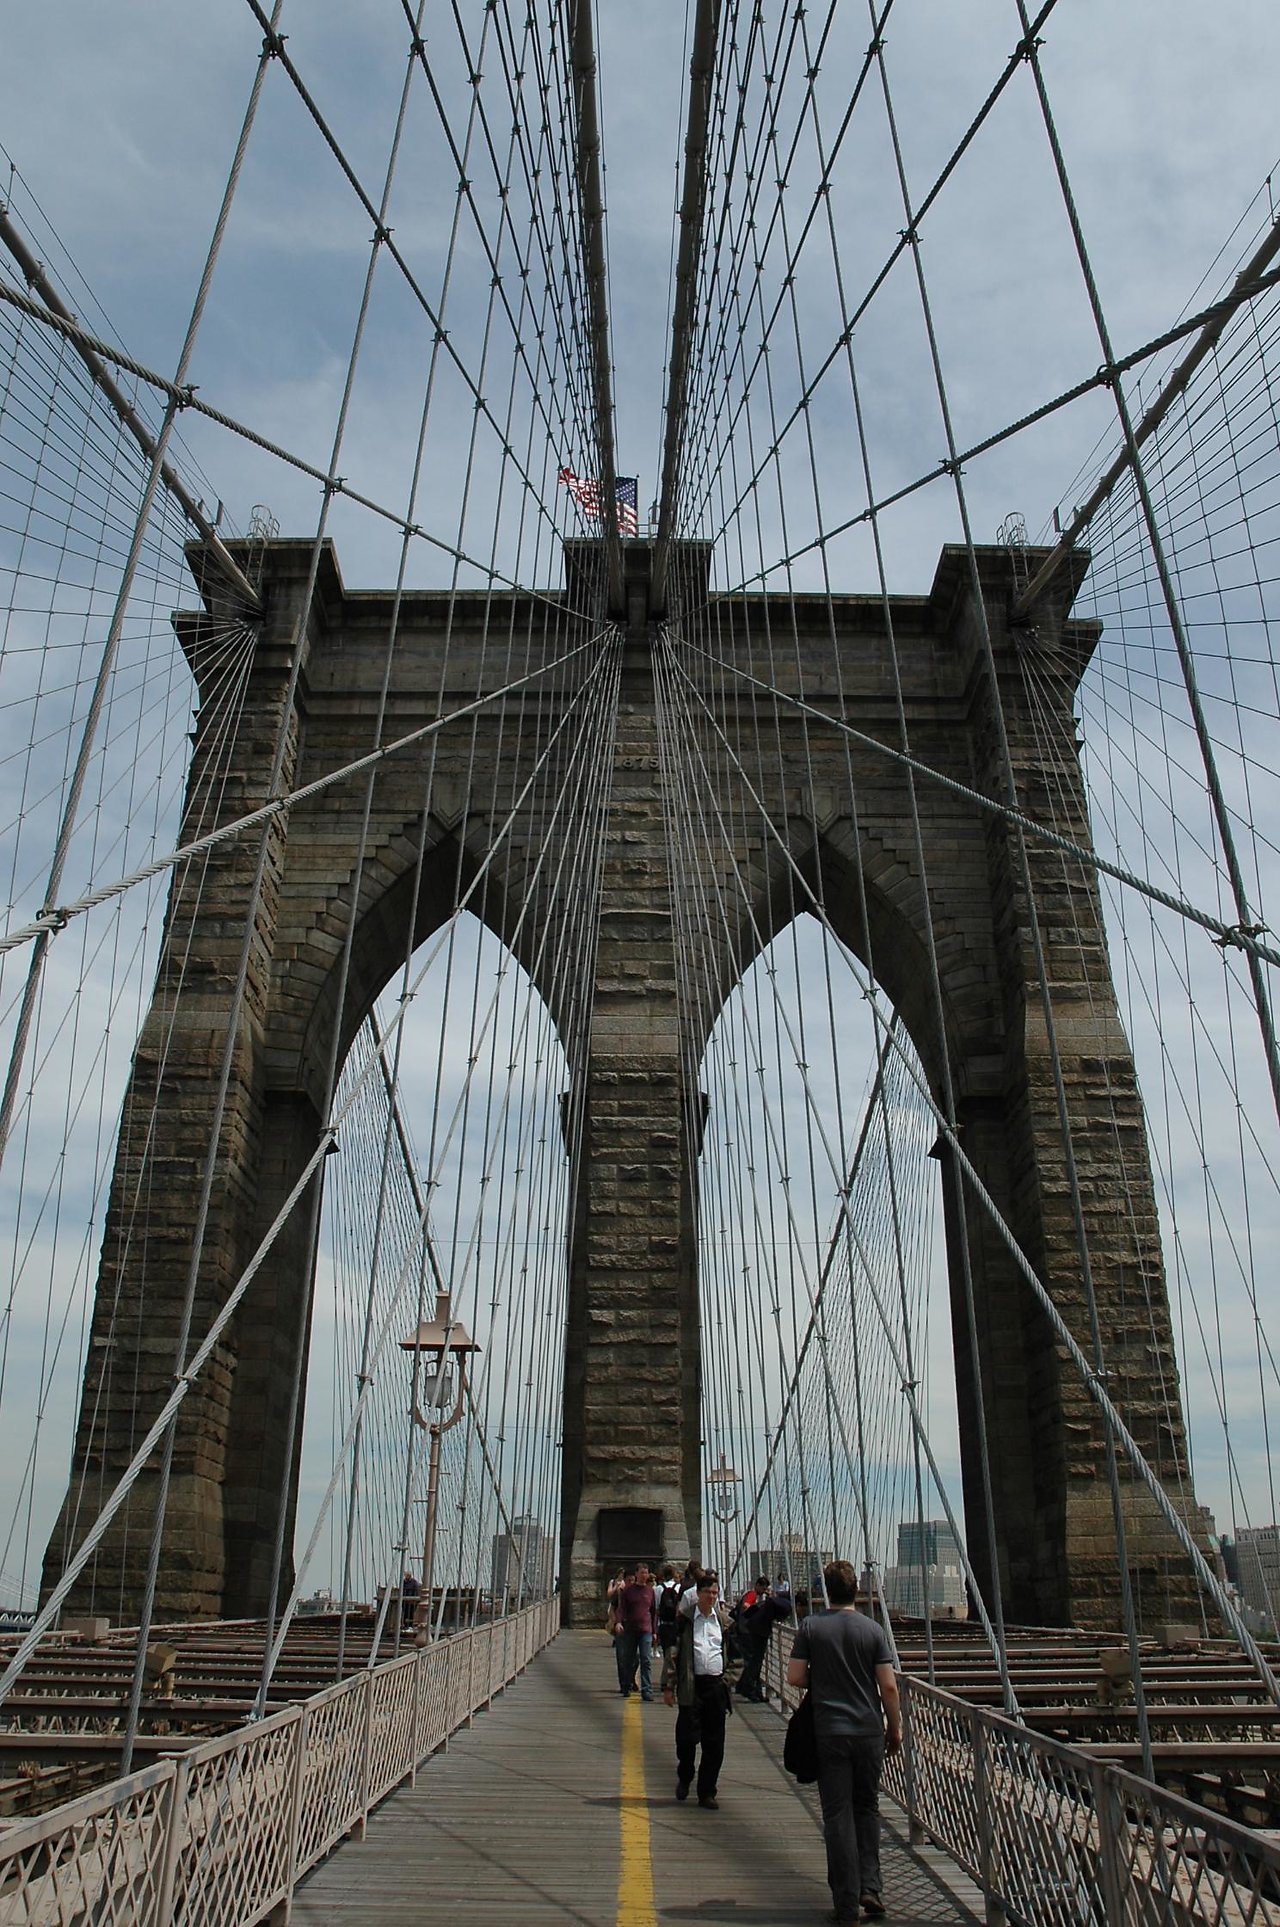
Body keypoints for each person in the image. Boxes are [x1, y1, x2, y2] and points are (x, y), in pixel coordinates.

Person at [787, 1558, 901, 1925]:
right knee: (867, 1809)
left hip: (829, 1731)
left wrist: (822, 1684)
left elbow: (794, 1677)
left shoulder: (810, 1627)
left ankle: (846, 1902)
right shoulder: (873, 1630)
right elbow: (888, 1685)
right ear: (856, 1590)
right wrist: (894, 1727)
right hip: (868, 1731)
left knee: (838, 1815)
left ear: (825, 1592)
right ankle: (872, 1886)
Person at [661, 1569, 736, 1808]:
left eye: (715, 1593)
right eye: (708, 1592)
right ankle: (685, 1776)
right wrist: (668, 1686)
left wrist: (727, 1682)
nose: (712, 1597)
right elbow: (672, 1654)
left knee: (715, 1744)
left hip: (715, 1687)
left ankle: (707, 1792)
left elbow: (737, 1657)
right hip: (690, 1687)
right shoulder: (685, 1620)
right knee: (685, 1740)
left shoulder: (725, 1623)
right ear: (698, 1594)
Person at [735, 1575, 791, 1701]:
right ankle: (748, 1688)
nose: (764, 1590)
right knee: (754, 1661)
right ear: (758, 1585)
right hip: (749, 1631)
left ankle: (749, 1688)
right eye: (764, 1588)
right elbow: (745, 1606)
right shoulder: (753, 1594)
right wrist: (756, 1607)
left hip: (749, 1629)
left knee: (754, 1661)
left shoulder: (759, 1597)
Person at [615, 1562, 658, 1700]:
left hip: (645, 1630)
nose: (644, 1575)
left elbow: (653, 1612)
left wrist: (654, 1631)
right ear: (636, 1574)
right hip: (630, 1630)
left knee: (646, 1660)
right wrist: (619, 1622)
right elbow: (621, 1608)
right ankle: (626, 1686)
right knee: (629, 1660)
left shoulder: (650, 1591)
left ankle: (647, 1690)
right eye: (642, 1573)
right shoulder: (628, 1591)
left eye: (646, 1573)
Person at [655, 1563, 683, 1660]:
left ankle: (666, 1670)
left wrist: (654, 1629)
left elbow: (656, 1608)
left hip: (663, 1624)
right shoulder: (679, 1587)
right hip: (676, 1624)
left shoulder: (658, 1588)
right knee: (676, 1652)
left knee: (665, 1651)